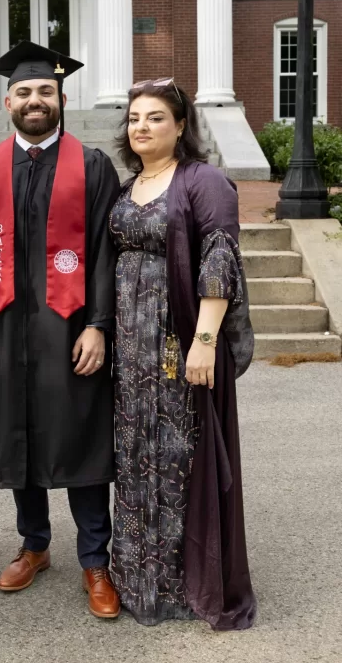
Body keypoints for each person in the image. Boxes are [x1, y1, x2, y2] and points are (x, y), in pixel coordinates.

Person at [0, 41, 121, 619]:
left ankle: (94, 559)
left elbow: (106, 252)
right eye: (25, 92)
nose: (36, 101)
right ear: (9, 101)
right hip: (8, 327)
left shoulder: (92, 164)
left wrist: (99, 326)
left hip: (70, 328)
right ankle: (34, 545)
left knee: (80, 437)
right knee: (20, 433)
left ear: (62, 98)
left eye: (46, 92)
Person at [109, 78, 256, 631]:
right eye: (134, 118)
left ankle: (181, 584)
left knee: (178, 458)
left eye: (154, 118)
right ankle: (136, 580)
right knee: (134, 454)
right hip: (130, 353)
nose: (141, 126)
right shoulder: (129, 187)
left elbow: (221, 260)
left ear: (179, 125)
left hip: (179, 347)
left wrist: (205, 340)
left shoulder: (203, 180)